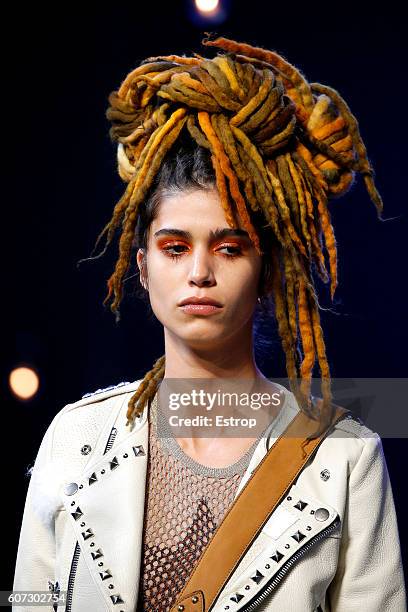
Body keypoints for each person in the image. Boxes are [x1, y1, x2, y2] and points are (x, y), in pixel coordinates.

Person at [13, 35, 406, 611]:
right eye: (175, 247)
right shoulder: (75, 440)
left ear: (267, 270)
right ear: (142, 267)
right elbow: (27, 600)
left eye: (229, 247)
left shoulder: (344, 460)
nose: (199, 271)